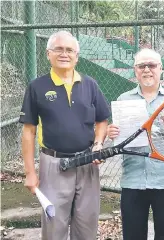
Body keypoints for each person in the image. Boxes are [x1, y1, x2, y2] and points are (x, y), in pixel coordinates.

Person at [19, 30, 110, 240]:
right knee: (54, 228)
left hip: (87, 164)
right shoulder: (36, 87)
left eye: (70, 50)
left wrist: (98, 144)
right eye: (58, 49)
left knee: (87, 227)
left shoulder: (90, 85)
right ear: (48, 54)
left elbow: (102, 120)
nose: (64, 54)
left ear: (77, 56)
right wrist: (30, 172)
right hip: (53, 165)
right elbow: (28, 132)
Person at [107, 48, 164, 240]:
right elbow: (120, 139)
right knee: (133, 235)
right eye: (141, 66)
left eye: (151, 65)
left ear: (160, 69)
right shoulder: (123, 100)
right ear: (135, 70)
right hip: (133, 179)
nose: (146, 70)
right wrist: (113, 133)